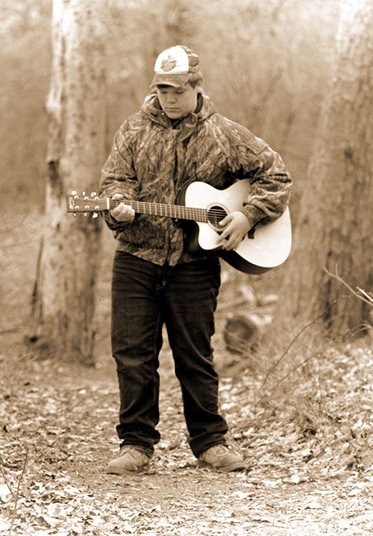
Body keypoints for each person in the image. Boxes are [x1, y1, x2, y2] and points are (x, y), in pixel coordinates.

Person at [99, 45, 292, 475]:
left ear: (197, 87)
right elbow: (114, 182)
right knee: (132, 355)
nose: (169, 99)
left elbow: (276, 175)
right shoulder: (133, 130)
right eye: (162, 90)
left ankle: (210, 443)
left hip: (194, 263)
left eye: (177, 90)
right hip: (136, 258)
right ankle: (135, 445)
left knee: (195, 356)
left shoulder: (224, 134)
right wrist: (118, 206)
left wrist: (247, 215)